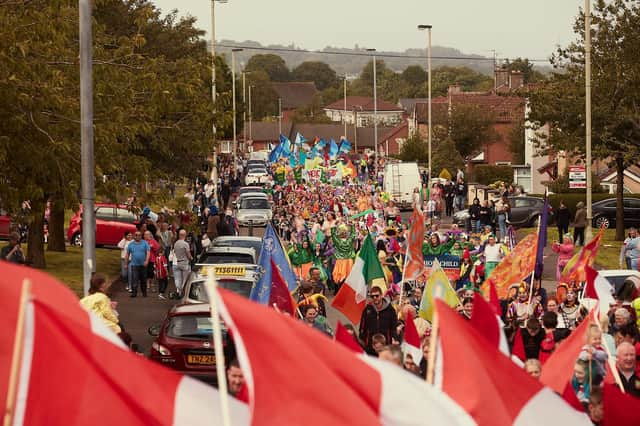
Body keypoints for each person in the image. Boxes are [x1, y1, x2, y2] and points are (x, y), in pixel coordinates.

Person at [359, 286, 398, 356]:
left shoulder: (390, 310)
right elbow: (362, 327)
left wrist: (394, 338)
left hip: (386, 347)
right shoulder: (367, 310)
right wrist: (363, 342)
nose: (375, 298)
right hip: (370, 348)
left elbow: (394, 327)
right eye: (372, 296)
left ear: (381, 295)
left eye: (377, 296)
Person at [125, 231, 150, 298]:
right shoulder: (131, 244)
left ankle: (144, 293)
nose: (138, 236)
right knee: (134, 279)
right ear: (134, 236)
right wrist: (126, 264)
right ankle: (134, 293)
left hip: (143, 264)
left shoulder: (145, 243)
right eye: (136, 235)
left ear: (141, 236)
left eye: (139, 235)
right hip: (134, 264)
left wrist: (147, 260)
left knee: (143, 280)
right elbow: (127, 254)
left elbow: (148, 252)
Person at [172, 229, 193, 297]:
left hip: (177, 262)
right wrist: (191, 258)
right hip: (185, 263)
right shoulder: (185, 244)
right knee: (185, 279)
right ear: (185, 235)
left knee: (178, 279)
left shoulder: (176, 243)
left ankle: (179, 291)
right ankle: (183, 293)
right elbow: (188, 254)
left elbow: (174, 252)